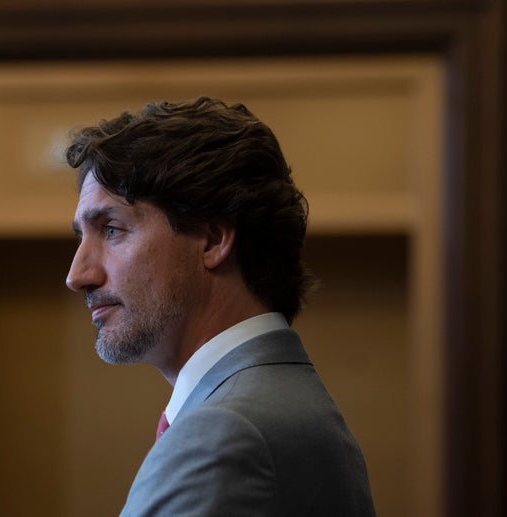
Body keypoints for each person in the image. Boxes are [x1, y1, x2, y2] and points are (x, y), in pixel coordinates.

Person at [64, 96, 375, 516]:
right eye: (81, 237)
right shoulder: (279, 403)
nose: (78, 274)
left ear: (212, 240)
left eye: (112, 229)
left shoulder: (226, 434)